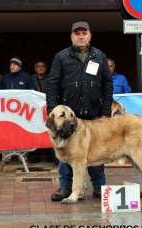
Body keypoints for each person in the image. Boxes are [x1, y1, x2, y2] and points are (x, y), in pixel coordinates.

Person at [46, 21, 112, 201]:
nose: (81, 36)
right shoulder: (61, 57)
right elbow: (52, 85)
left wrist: (105, 110)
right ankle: (66, 188)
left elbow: (107, 84)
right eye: (77, 34)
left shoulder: (99, 56)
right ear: (72, 37)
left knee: (96, 151)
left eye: (84, 33)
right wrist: (53, 111)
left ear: (90, 36)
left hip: (93, 112)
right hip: (68, 115)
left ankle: (99, 186)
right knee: (65, 153)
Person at [30, 61, 57, 163]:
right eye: (38, 66)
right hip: (33, 110)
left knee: (49, 130)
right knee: (35, 131)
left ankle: (51, 156)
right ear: (35, 69)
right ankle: (35, 156)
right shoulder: (31, 79)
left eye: (43, 66)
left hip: (47, 108)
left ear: (46, 69)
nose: (40, 68)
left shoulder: (50, 79)